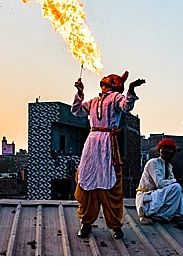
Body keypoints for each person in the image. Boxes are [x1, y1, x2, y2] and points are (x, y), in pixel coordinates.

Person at [71, 71, 146, 240]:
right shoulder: (93, 101)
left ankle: (115, 225)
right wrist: (80, 93)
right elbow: (76, 110)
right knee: (86, 179)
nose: (107, 77)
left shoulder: (116, 98)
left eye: (112, 78)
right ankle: (86, 223)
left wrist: (132, 89)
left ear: (116, 85)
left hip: (107, 142)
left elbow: (127, 106)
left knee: (111, 184)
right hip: (92, 142)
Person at [136, 138, 183, 225]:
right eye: (163, 148)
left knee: (182, 190)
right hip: (147, 198)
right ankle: (160, 215)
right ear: (159, 150)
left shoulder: (169, 166)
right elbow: (160, 184)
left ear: (173, 154)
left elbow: (172, 185)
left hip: (157, 196)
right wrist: (181, 180)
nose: (165, 150)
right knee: (176, 187)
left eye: (169, 149)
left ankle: (182, 214)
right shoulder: (153, 162)